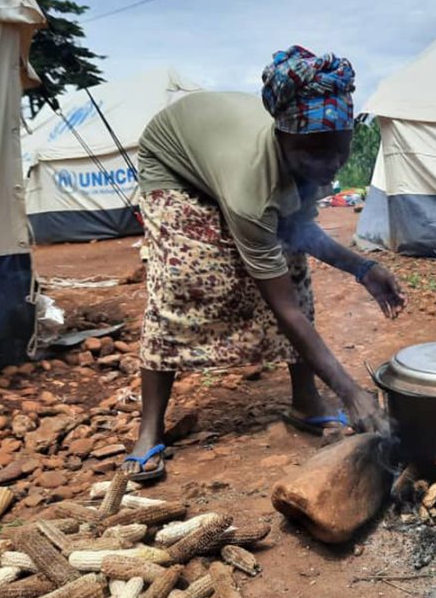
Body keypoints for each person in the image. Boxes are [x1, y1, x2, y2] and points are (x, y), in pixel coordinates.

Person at [122, 46, 405, 481]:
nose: (330, 165)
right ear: (281, 139)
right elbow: (283, 308)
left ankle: (305, 401)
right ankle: (150, 428)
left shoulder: (312, 158)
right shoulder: (251, 187)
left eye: (340, 150)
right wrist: (350, 392)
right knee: (187, 278)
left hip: (221, 152)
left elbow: (301, 232)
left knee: (293, 265)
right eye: (315, 153)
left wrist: (362, 269)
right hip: (173, 164)